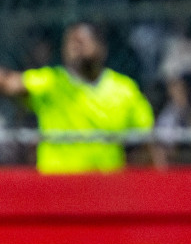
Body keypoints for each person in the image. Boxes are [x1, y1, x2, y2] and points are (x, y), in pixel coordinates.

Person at [0, 21, 162, 173]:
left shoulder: (124, 89)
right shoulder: (52, 82)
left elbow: (146, 141)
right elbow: (9, 84)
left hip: (104, 188)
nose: (74, 47)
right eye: (69, 42)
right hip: (57, 185)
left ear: (101, 48)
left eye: (80, 41)